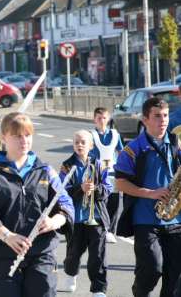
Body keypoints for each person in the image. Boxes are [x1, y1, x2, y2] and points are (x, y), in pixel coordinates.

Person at [0, 112, 74, 297]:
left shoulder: (45, 171)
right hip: (3, 254)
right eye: (17, 135)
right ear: (4, 137)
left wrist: (54, 221)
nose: (24, 140)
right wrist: (8, 236)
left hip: (41, 253)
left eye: (27, 135)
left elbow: (65, 203)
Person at [115, 97, 181, 297]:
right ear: (145, 120)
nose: (163, 121)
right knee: (153, 268)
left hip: (175, 219)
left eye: (166, 116)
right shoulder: (133, 149)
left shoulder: (176, 144)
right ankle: (139, 292)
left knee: (175, 276)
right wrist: (151, 193)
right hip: (145, 219)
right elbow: (120, 183)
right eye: (157, 116)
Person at [60, 130, 112, 297]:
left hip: (95, 217)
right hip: (75, 219)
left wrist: (95, 189)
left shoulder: (99, 164)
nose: (79, 145)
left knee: (98, 255)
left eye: (83, 142)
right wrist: (79, 189)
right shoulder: (67, 165)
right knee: (73, 254)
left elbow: (108, 188)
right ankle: (70, 273)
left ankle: (98, 289)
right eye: (76, 142)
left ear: (91, 145)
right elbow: (61, 191)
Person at [90, 107, 124, 244]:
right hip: (97, 174)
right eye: (99, 118)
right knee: (100, 201)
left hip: (112, 172)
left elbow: (121, 152)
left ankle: (110, 231)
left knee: (114, 202)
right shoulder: (91, 134)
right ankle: (102, 228)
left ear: (108, 119)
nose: (102, 121)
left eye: (104, 118)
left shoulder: (115, 134)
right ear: (94, 119)